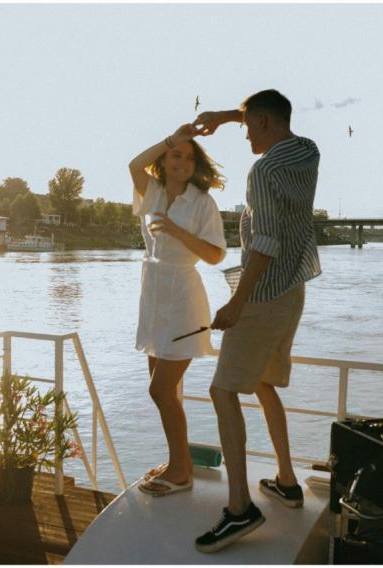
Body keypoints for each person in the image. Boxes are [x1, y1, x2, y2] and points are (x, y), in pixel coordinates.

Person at [191, 90, 321, 553]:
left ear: (264, 122)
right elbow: (266, 113)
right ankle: (287, 481)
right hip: (293, 290)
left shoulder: (263, 171)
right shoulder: (307, 151)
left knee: (223, 391)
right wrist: (224, 117)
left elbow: (263, 242)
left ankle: (240, 509)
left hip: (262, 294)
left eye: (248, 125)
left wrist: (236, 304)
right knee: (263, 383)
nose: (244, 132)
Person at [129, 123, 228, 497]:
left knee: (160, 390)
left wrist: (174, 229)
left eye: (188, 157)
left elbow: (216, 255)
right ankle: (177, 462)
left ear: (195, 164)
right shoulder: (151, 190)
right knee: (165, 392)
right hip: (153, 297)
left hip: (184, 299)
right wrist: (171, 136)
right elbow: (133, 165)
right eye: (175, 154)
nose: (182, 162)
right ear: (165, 158)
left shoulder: (202, 202)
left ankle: (182, 469)